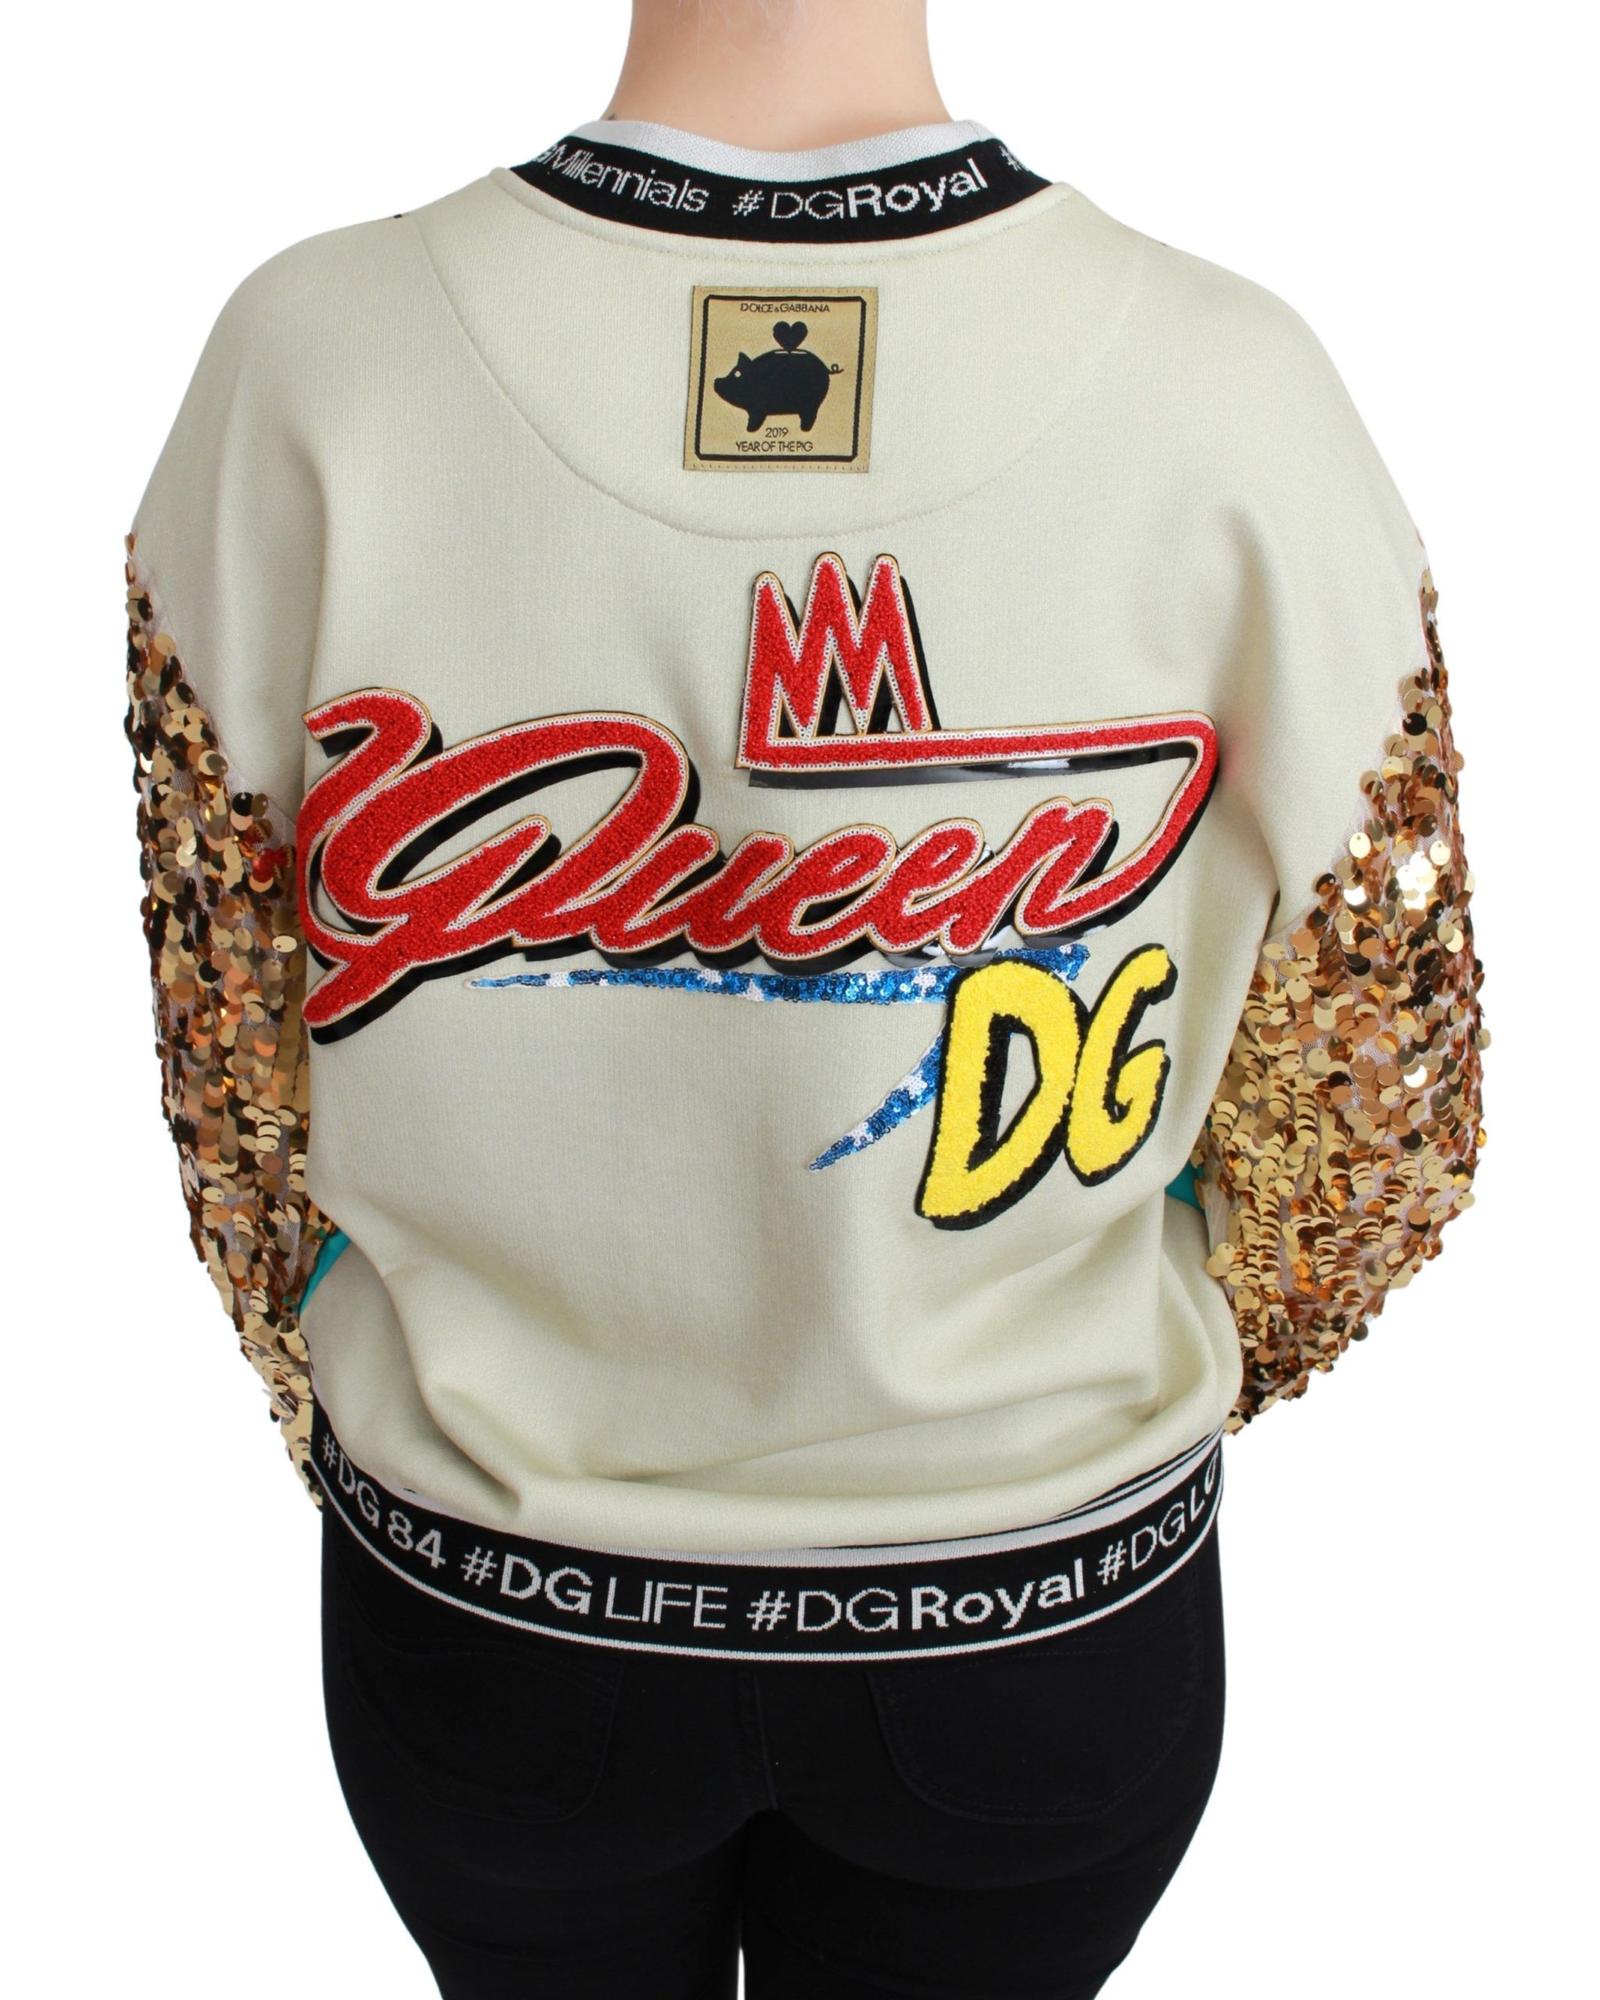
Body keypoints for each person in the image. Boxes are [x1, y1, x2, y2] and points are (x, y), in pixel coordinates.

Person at [122, 1, 1486, 1993]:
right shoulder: (1231, 387)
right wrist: (1095, 1358)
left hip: (493, 1608)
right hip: (1040, 1612)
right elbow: (1390, 1100)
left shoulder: (313, 355)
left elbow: (226, 1054)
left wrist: (388, 1376)